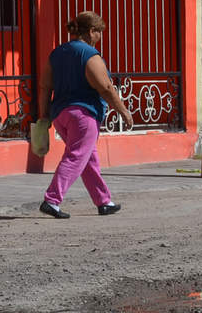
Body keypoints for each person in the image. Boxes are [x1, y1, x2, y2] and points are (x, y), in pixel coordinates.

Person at [36, 11, 134, 219]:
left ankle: (103, 201)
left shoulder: (57, 53)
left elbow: (45, 86)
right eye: (99, 32)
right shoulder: (89, 55)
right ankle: (52, 199)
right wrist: (123, 111)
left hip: (60, 114)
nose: (100, 36)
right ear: (91, 31)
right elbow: (105, 87)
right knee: (76, 156)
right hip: (83, 114)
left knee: (88, 158)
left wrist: (44, 115)